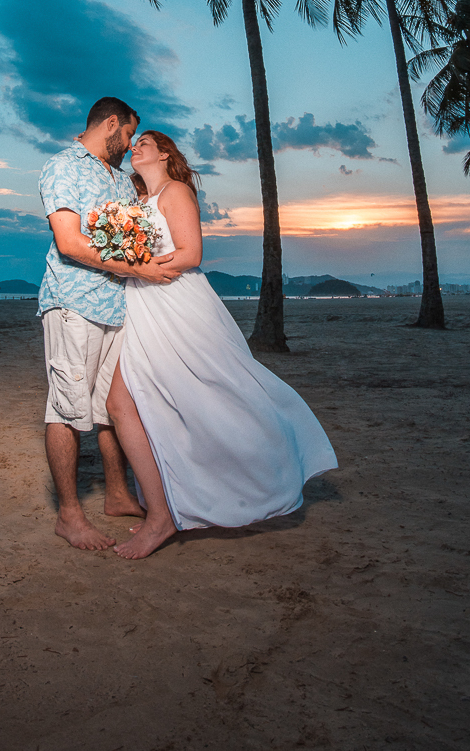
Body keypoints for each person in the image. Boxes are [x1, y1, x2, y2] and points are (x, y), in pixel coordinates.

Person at [106, 130, 338, 559]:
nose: (134, 148)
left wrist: (138, 267)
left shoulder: (174, 191)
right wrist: (124, 264)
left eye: (144, 144)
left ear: (164, 154)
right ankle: (166, 506)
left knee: (210, 391)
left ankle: (178, 508)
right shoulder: (136, 204)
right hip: (143, 307)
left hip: (177, 303)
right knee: (129, 403)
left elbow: (191, 253)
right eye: (133, 144)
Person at [38, 97, 182, 551]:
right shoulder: (63, 167)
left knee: (108, 410)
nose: (129, 144)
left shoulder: (120, 179)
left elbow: (137, 235)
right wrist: (140, 270)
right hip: (73, 303)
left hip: (118, 308)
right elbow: (69, 242)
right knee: (66, 409)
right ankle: (69, 515)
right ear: (113, 124)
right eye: (129, 134)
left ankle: (117, 494)